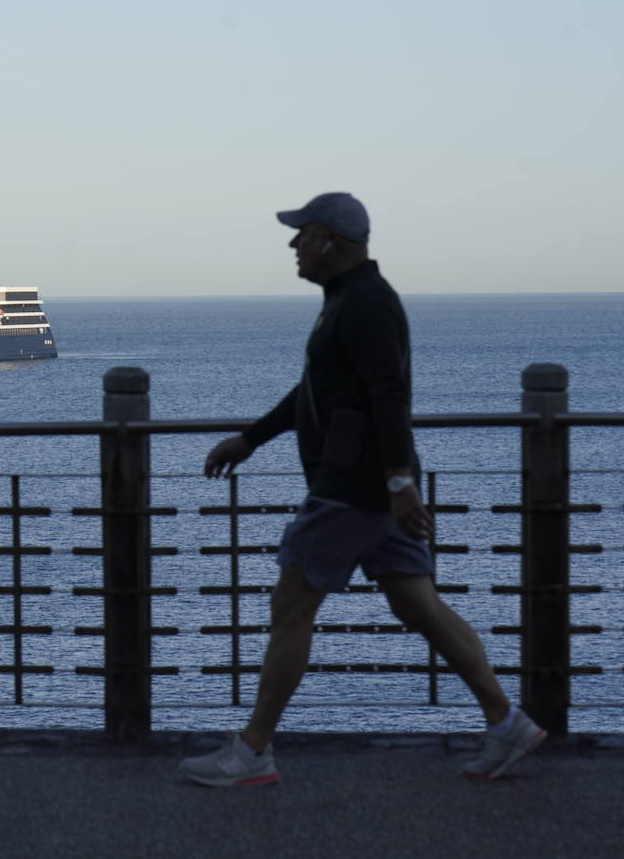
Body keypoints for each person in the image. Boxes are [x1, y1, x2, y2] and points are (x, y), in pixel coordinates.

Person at [180, 192, 546, 787]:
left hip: (353, 486)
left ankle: (251, 753)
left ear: (331, 240)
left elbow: (388, 395)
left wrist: (399, 482)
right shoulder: (345, 303)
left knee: (292, 605)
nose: (292, 244)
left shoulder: (368, 305)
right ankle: (506, 723)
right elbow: (316, 394)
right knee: (418, 605)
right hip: (374, 486)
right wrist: (251, 439)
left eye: (302, 233)